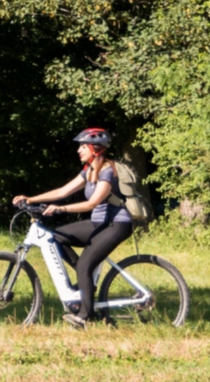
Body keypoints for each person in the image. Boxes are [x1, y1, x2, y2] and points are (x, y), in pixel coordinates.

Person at [14, 127, 130, 327]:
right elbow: (63, 191)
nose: (79, 150)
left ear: (96, 149)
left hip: (117, 224)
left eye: (83, 146)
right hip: (98, 223)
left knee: (85, 264)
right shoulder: (89, 170)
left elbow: (91, 204)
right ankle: (84, 278)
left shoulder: (107, 171)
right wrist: (31, 198)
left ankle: (85, 316)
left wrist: (62, 209)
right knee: (55, 237)